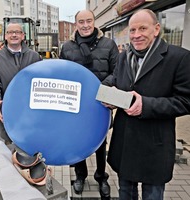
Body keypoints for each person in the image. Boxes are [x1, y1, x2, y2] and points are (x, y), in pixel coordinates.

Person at [106, 9, 190, 200]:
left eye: (142, 28)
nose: (136, 35)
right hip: (125, 143)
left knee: (152, 195)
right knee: (126, 193)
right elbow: (116, 79)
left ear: (156, 29)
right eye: (132, 30)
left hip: (154, 145)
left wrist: (147, 105)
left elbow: (186, 101)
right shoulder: (123, 56)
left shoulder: (179, 58)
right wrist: (107, 92)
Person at [60, 10, 119, 198]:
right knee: (78, 141)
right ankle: (80, 175)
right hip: (75, 104)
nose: (85, 25)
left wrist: (100, 87)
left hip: (100, 103)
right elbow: (63, 75)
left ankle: (101, 176)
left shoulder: (108, 44)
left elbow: (117, 71)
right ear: (75, 24)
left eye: (88, 21)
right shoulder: (67, 47)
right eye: (81, 21)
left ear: (94, 22)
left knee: (100, 141)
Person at [0, 23, 42, 144]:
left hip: (32, 113)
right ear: (5, 36)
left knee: (35, 147)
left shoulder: (35, 57)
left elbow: (43, 81)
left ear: (23, 36)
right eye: (10, 32)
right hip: (9, 112)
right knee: (12, 150)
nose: (14, 35)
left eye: (17, 32)